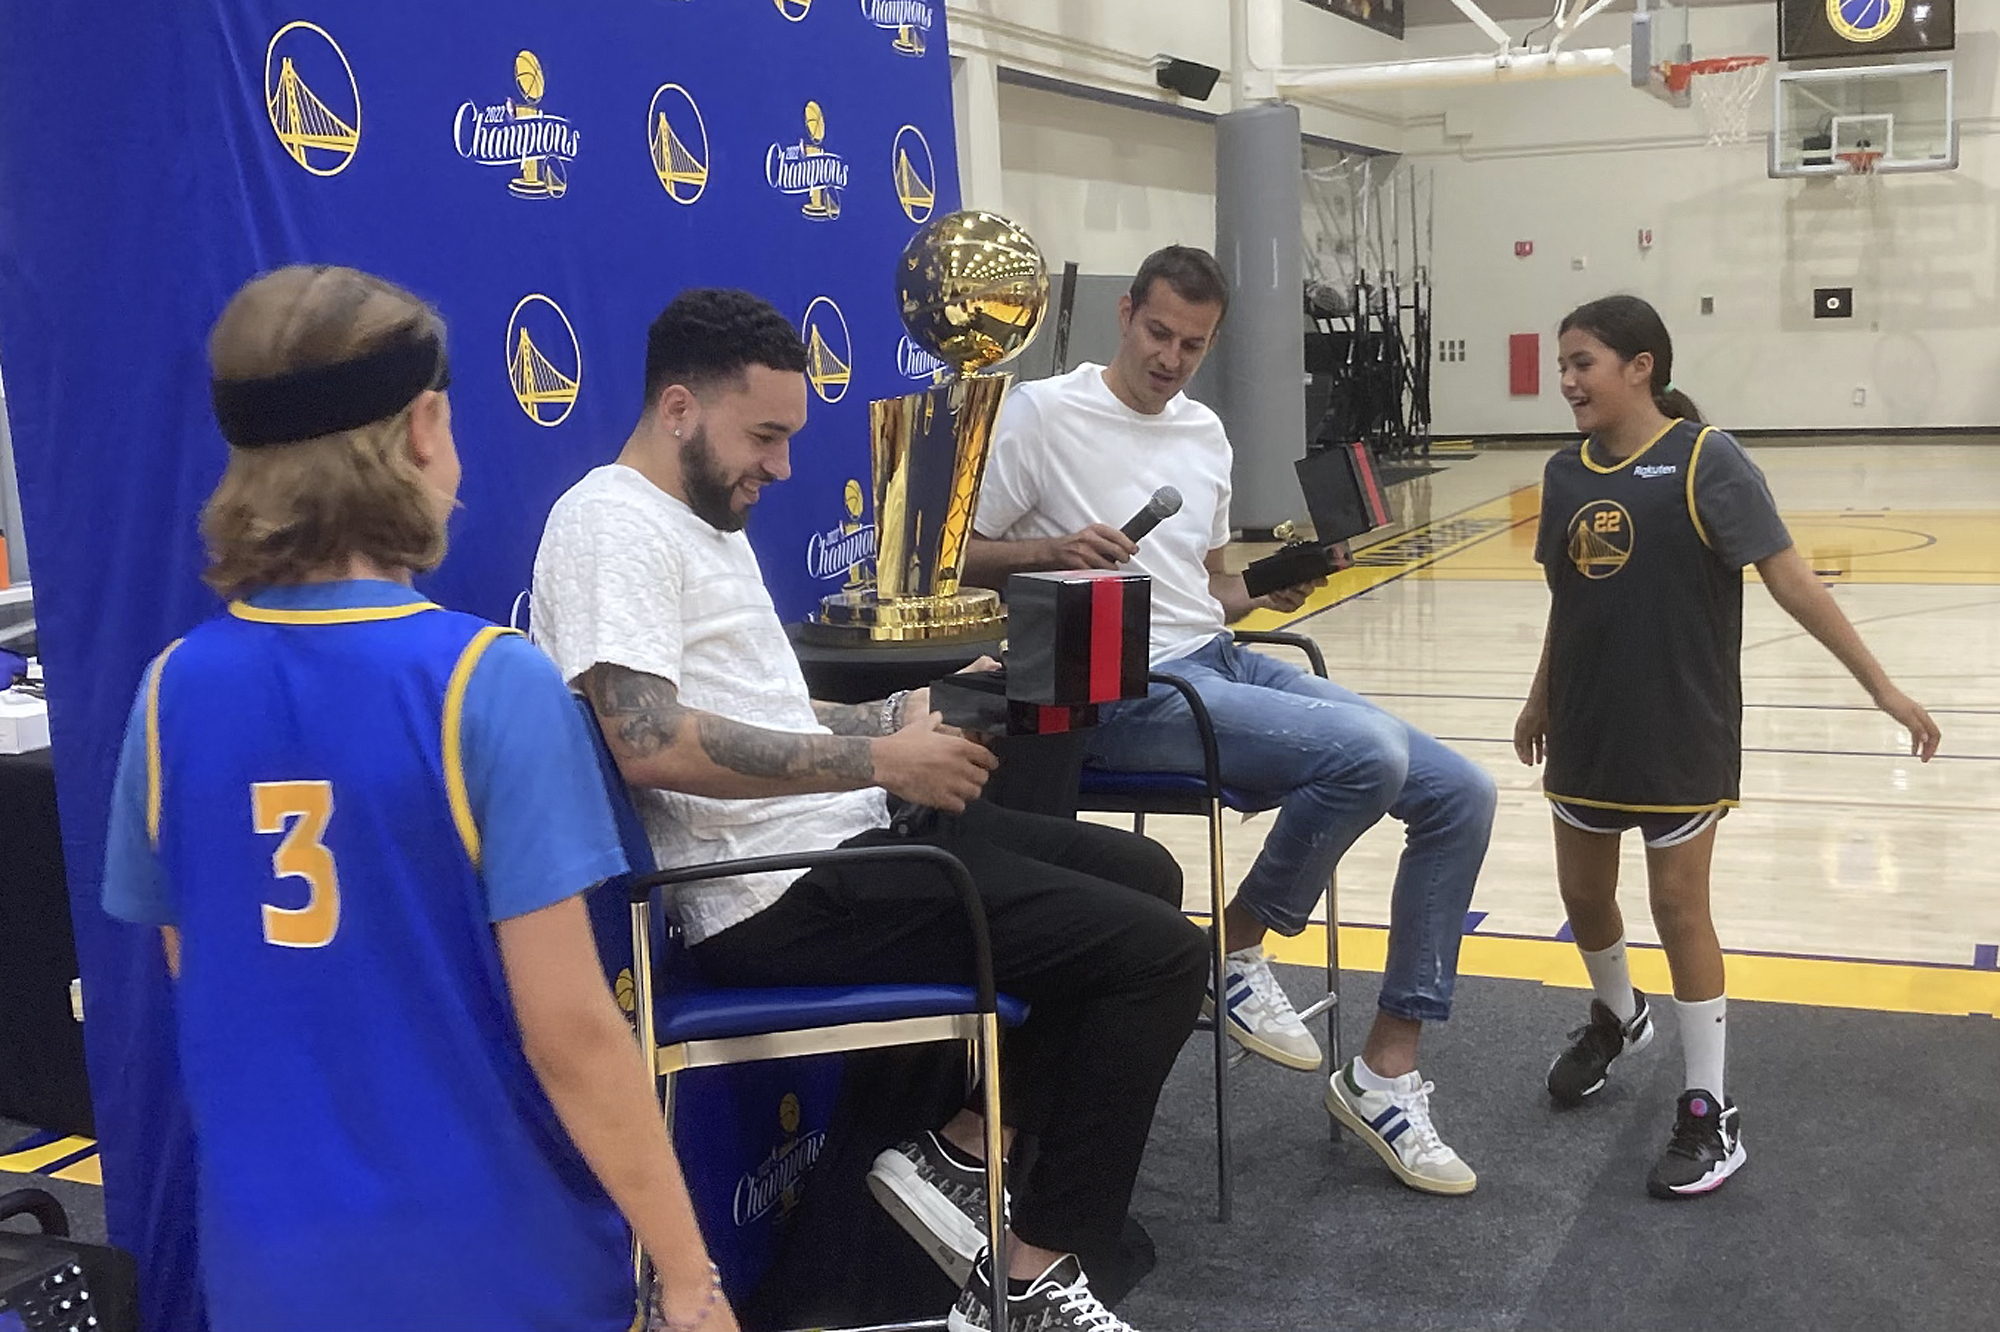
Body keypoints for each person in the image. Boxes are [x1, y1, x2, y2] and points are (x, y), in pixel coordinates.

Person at [530, 287, 1208, 1332]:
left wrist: (899, 709)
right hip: (771, 898)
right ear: (678, 409)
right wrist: (880, 759)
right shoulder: (610, 523)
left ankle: (958, 1153)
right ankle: (1027, 1277)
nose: (781, 466)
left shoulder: (700, 517)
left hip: (839, 848)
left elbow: (760, 709)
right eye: (764, 436)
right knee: (1160, 954)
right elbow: (646, 739)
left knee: (1147, 877)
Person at [101, 265, 734, 1332]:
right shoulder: (487, 683)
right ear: (424, 428)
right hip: (494, 1269)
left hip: (272, 1274)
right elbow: (572, 1033)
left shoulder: (166, 694)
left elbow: (203, 987)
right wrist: (687, 1275)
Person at [963, 245, 1495, 1198]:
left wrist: (1278, 582)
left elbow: (1209, 591)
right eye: (1159, 334)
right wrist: (1054, 552)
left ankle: (1385, 1072)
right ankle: (1233, 947)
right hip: (1116, 690)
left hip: (1217, 660)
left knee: (1463, 792)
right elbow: (952, 557)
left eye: (1193, 346)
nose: (1170, 359)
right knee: (1369, 755)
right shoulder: (1041, 413)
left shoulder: (1204, 431)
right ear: (1125, 315)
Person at [1514, 294, 1941, 1199]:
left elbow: (1793, 580)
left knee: (1678, 910)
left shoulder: (1708, 460)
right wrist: (1539, 697)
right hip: (1586, 726)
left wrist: (1882, 687)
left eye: (1583, 363)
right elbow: (1567, 599)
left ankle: (1710, 1110)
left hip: (1680, 729)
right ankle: (1619, 1016)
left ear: (1641, 367)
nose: (1567, 382)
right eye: (1563, 365)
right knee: (1583, 897)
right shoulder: (1564, 473)